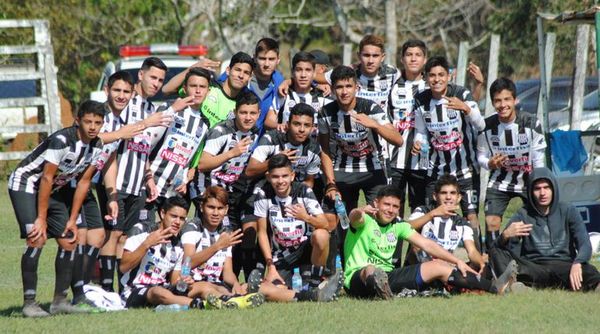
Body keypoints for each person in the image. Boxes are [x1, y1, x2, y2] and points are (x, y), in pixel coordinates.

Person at [8, 100, 105, 317]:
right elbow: (45, 178)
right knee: (37, 236)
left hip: (53, 190)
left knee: (69, 240)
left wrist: (72, 219)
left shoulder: (97, 146)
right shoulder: (62, 141)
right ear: (77, 120)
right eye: (88, 121)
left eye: (97, 123)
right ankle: (29, 304)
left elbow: (83, 183)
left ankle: (60, 301)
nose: (92, 126)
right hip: (26, 184)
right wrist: (41, 218)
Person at [343, 185, 518, 299]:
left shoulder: (398, 226)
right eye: (386, 205)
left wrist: (457, 262)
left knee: (439, 266)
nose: (390, 210)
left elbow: (428, 245)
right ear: (376, 203)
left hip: (388, 277)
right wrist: (360, 210)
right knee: (372, 270)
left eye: (395, 207)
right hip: (358, 279)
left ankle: (495, 287)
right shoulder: (365, 221)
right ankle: (379, 289)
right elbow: (353, 218)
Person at [98, 57, 172, 293]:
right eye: (153, 77)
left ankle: (120, 290)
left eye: (161, 80)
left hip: (137, 184)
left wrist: (148, 178)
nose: (157, 83)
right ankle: (105, 289)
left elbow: (143, 149)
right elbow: (118, 137)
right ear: (141, 75)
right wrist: (147, 122)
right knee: (112, 235)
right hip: (117, 183)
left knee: (124, 238)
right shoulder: (126, 103)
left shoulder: (152, 108)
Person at [412, 56, 485, 249]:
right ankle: (423, 265)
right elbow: (420, 131)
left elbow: (481, 124)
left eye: (441, 75)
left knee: (471, 217)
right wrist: (418, 142)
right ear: (426, 78)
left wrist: (466, 108)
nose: (436, 79)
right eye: (432, 75)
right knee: (430, 217)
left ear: (449, 76)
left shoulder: (461, 93)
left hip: (465, 170)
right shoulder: (420, 100)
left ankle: (478, 264)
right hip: (436, 172)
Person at [489, 167, 600, 292]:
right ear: (531, 191)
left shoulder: (568, 210)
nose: (542, 193)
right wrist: (505, 235)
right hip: (534, 268)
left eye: (546, 187)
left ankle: (593, 285)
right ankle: (516, 285)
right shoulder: (523, 214)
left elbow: (584, 244)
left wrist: (578, 263)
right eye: (537, 188)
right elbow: (506, 250)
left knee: (589, 271)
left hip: (565, 267)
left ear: (553, 189)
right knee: (496, 249)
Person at [254, 154, 343, 301]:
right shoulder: (263, 194)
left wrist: (305, 217)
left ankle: (316, 281)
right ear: (268, 177)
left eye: (284, 176)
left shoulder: (303, 191)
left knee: (321, 235)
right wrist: (270, 266)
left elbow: (326, 225)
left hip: (306, 249)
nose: (281, 181)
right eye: (276, 177)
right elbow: (262, 233)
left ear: (292, 175)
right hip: (282, 255)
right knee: (270, 290)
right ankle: (311, 295)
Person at [318, 65, 403, 213]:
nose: (344, 92)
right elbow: (324, 150)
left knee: (381, 216)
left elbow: (398, 140)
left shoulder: (370, 108)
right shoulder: (325, 113)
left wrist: (375, 125)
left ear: (356, 87)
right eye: (339, 87)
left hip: (374, 168)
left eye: (348, 86)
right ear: (332, 89)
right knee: (336, 219)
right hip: (343, 169)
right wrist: (331, 183)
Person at [477, 77, 546, 251]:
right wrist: (489, 163)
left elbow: (538, 160)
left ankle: (535, 256)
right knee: (491, 221)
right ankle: (494, 260)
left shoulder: (531, 123)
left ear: (515, 100)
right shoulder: (486, 126)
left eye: (507, 99)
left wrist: (538, 184)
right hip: (499, 180)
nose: (502, 105)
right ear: (493, 103)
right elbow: (481, 156)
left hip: (527, 180)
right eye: (497, 101)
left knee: (537, 220)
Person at [120, 196, 216, 309]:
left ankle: (226, 301)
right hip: (133, 291)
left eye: (181, 218)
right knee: (157, 292)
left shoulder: (179, 245)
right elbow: (123, 267)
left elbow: (174, 281)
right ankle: (198, 304)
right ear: (162, 213)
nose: (177, 222)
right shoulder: (141, 230)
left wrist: (184, 282)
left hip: (163, 289)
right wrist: (147, 244)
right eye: (173, 216)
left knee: (203, 286)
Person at [143, 68, 212, 223]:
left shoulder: (205, 123)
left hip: (172, 192)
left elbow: (188, 158)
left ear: (208, 91)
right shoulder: (169, 107)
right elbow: (147, 142)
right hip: (149, 184)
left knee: (166, 237)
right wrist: (148, 178)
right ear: (185, 88)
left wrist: (185, 180)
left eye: (202, 87)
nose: (198, 91)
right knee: (140, 233)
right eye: (193, 86)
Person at [178, 186, 265, 308]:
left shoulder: (226, 233)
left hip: (216, 284)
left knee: (264, 286)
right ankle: (237, 300)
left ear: (226, 210)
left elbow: (227, 272)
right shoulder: (192, 227)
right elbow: (187, 264)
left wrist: (235, 284)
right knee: (206, 287)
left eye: (220, 208)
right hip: (192, 284)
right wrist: (217, 246)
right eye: (211, 207)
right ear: (202, 207)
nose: (215, 213)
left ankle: (298, 295)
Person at [408, 174, 486, 272]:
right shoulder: (423, 211)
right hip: (421, 268)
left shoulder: (462, 223)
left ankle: (494, 285)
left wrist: (481, 263)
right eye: (443, 193)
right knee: (416, 246)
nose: (448, 197)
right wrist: (432, 214)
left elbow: (472, 251)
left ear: (458, 198)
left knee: (477, 266)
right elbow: (405, 228)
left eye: (452, 193)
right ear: (435, 196)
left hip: (446, 268)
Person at [387, 39, 429, 218]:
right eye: (409, 55)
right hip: (395, 157)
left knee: (419, 210)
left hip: (422, 159)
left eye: (418, 55)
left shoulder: (432, 85)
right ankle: (393, 245)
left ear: (425, 59)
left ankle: (416, 247)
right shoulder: (392, 85)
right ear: (402, 59)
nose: (413, 59)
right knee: (393, 208)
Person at [264, 51, 328, 133]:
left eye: (308, 70)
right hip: (287, 144)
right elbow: (268, 121)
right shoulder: (284, 93)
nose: (303, 75)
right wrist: (281, 126)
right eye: (299, 70)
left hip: (315, 145)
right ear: (293, 72)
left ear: (314, 73)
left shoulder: (323, 95)